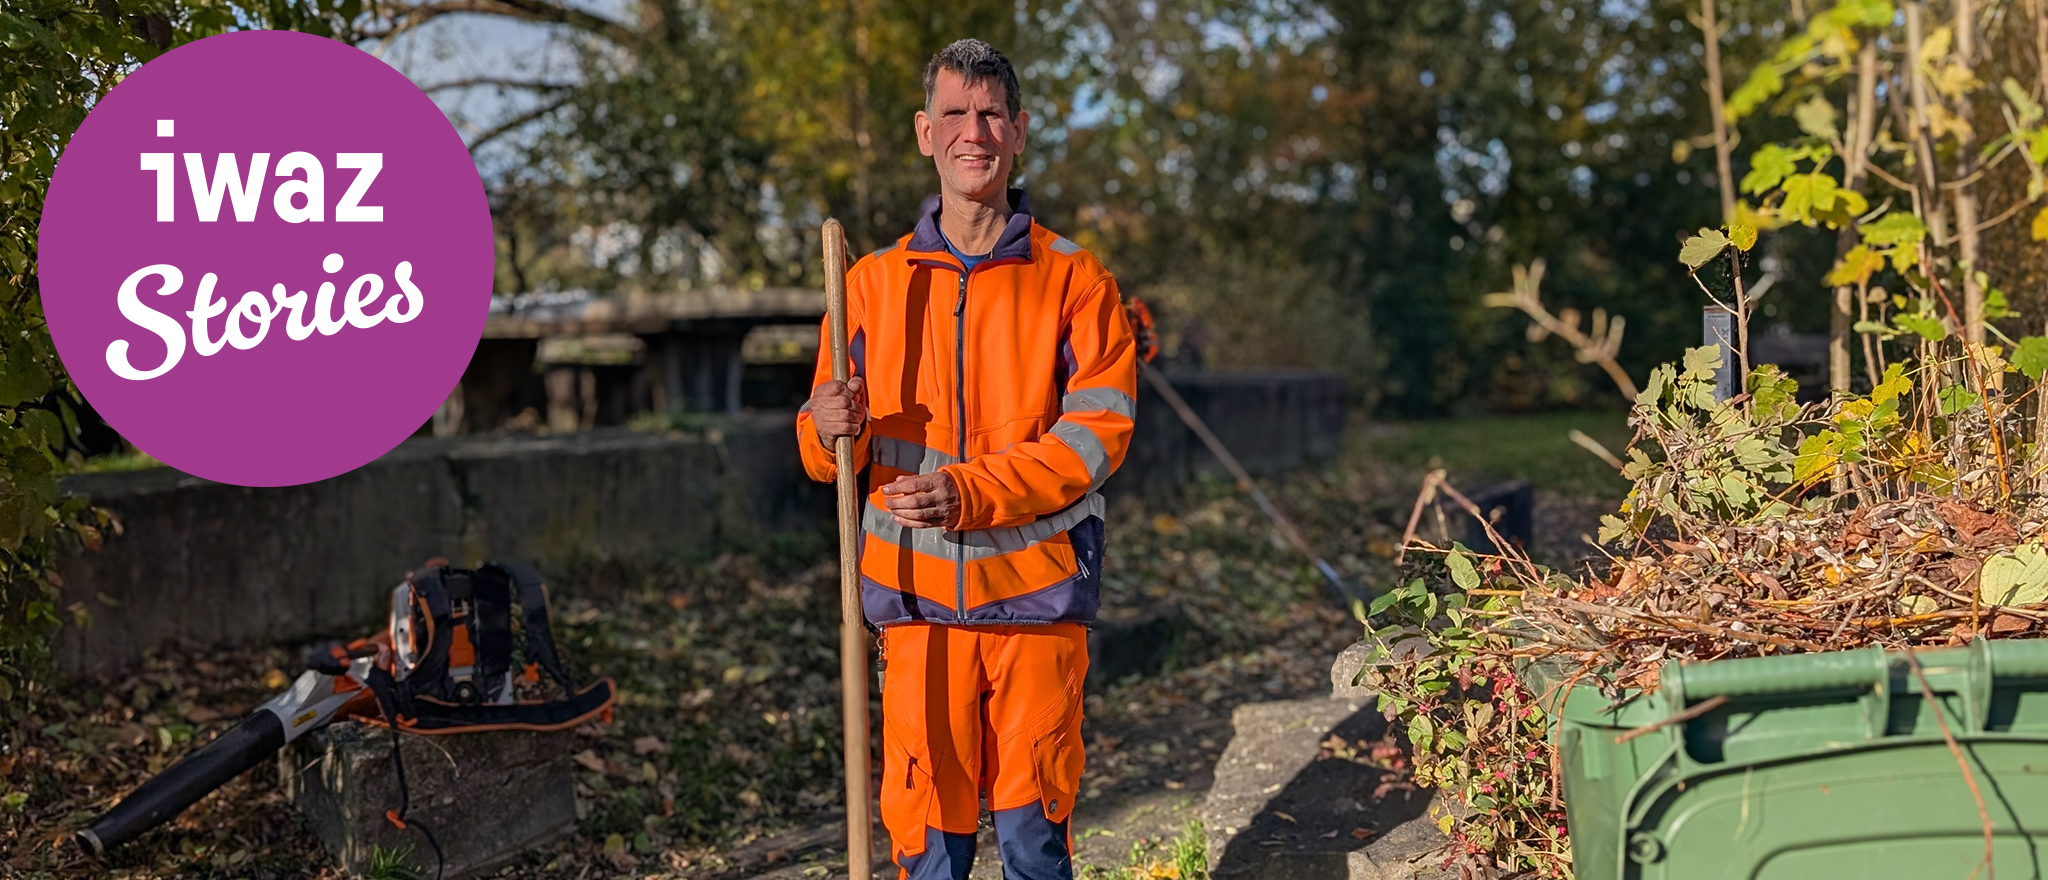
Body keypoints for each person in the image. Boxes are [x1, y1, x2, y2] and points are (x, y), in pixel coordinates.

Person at [796, 38, 1139, 880]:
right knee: (929, 853)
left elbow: (1098, 437)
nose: (972, 131)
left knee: (1033, 845)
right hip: (914, 615)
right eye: (955, 112)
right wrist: (823, 422)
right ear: (925, 131)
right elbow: (824, 453)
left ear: (1019, 132)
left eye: (990, 114)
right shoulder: (868, 285)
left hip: (1036, 606)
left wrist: (967, 492)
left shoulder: (1075, 280)